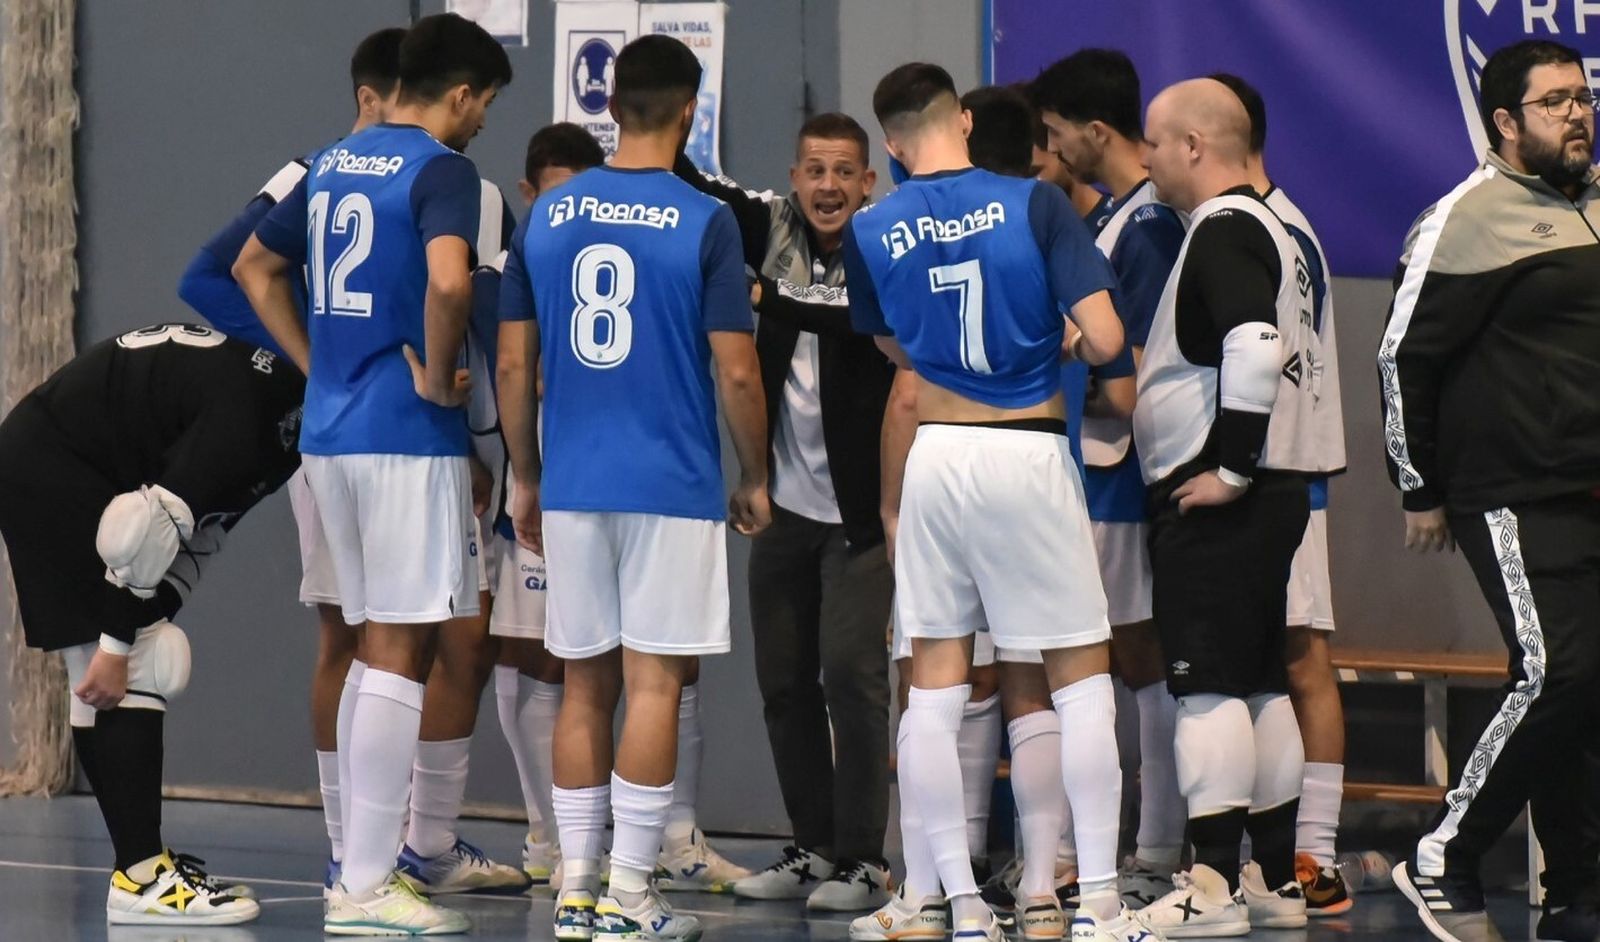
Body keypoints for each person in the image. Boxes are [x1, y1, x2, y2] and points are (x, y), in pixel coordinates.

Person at [191, 25, 526, 899]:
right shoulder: (441, 170)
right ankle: (371, 889)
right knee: (396, 648)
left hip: (330, 435)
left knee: (359, 641)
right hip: (402, 436)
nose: (484, 120)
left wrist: (319, 365)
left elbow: (253, 268)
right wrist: (440, 376)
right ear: (460, 94)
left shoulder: (333, 162)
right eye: (485, 102)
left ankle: (358, 870)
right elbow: (451, 283)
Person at [844, 61, 1139, 942]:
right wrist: (1071, 344)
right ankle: (1096, 906)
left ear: (891, 144)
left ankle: (955, 906)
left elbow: (895, 346)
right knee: (1077, 678)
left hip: (936, 456)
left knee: (932, 687)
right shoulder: (1034, 204)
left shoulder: (870, 225)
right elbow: (1113, 337)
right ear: (963, 122)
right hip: (1026, 449)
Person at [496, 34, 769, 942]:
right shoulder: (706, 219)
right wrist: (756, 473)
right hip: (673, 481)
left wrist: (525, 474)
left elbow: (511, 359)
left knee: (584, 686)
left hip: (574, 479)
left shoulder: (549, 214)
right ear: (691, 110)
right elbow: (737, 373)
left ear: (609, 108)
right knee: (654, 685)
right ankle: (630, 895)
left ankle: (574, 890)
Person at [1380, 38, 1600, 942]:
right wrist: (1417, 486)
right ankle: (1443, 855)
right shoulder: (1465, 218)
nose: (1579, 115)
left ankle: (1580, 895)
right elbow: (1402, 356)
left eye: (1584, 98)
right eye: (1555, 103)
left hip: (1587, 486)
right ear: (1506, 124)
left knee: (1588, 691)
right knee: (1560, 672)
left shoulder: (1589, 208)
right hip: (1510, 488)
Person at [0, 323, 304, 926]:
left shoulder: (286, 420)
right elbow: (146, 528)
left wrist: (144, 615)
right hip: (54, 465)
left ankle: (139, 868)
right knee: (138, 658)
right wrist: (121, 640)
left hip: (59, 458)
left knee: (120, 653)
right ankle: (142, 878)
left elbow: (202, 533)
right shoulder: (256, 420)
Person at [672, 110, 897, 910]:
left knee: (852, 676)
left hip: (865, 515)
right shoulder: (767, 225)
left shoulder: (883, 246)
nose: (828, 186)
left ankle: (867, 861)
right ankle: (814, 846)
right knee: (783, 681)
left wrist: (770, 297)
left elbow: (857, 325)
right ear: (794, 177)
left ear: (867, 182)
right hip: (784, 507)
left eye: (844, 172)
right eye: (814, 170)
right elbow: (691, 174)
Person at [1128, 78, 1318, 938]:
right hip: (1268, 494)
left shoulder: (1226, 227)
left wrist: (1230, 470)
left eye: (1156, 144)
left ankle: (1209, 886)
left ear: (1196, 147)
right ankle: (1273, 879)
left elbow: (1252, 341)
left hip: (1225, 499)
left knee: (1206, 685)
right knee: (1258, 683)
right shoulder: (1272, 223)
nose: (1147, 160)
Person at [1030, 49, 1190, 914]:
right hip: (1081, 466)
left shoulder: (1150, 227)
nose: (1050, 153)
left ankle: (1158, 847)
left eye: (1056, 136)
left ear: (1095, 132)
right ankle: (1098, 850)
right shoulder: (1109, 220)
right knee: (1095, 660)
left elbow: (1139, 366)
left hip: (1120, 469)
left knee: (1137, 657)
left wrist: (1053, 367)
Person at [1209, 71, 1351, 919]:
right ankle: (1269, 855)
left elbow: (1281, 366)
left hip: (1284, 477)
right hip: (1271, 480)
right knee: (1267, 663)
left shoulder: (1274, 229)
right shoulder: (1254, 224)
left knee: (1300, 659)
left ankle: (1314, 853)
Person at [489, 121, 605, 888]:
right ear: (529, 193)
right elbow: (503, 366)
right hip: (532, 472)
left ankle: (645, 835)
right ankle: (548, 835)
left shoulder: (604, 256)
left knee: (610, 657)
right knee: (534, 648)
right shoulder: (510, 266)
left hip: (609, 470)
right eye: (552, 195)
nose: (566, 211)